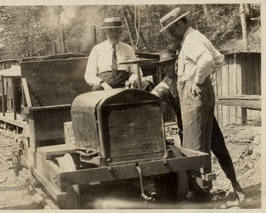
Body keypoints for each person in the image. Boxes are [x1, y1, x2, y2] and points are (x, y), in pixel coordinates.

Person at [152, 49, 245, 203]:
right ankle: (199, 192)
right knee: (192, 158)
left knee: (221, 150)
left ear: (177, 62)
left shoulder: (190, 76)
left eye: (171, 63)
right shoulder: (164, 87)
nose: (169, 67)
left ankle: (236, 184)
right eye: (165, 65)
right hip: (186, 125)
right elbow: (153, 98)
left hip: (207, 119)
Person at [159, 7, 226, 199]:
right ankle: (204, 187)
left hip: (192, 95)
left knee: (193, 145)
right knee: (202, 143)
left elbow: (206, 59)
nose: (171, 34)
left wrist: (197, 82)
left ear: (181, 23)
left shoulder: (191, 40)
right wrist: (203, 79)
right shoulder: (198, 37)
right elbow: (218, 60)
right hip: (198, 94)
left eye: (172, 30)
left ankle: (199, 192)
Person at [84, 17, 152, 91]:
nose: (114, 34)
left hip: (126, 86)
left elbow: (136, 72)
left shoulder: (128, 48)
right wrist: (102, 83)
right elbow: (89, 75)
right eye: (110, 30)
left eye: (117, 30)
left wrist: (131, 81)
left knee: (145, 85)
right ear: (105, 32)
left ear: (121, 32)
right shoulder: (97, 49)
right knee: (96, 88)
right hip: (104, 87)